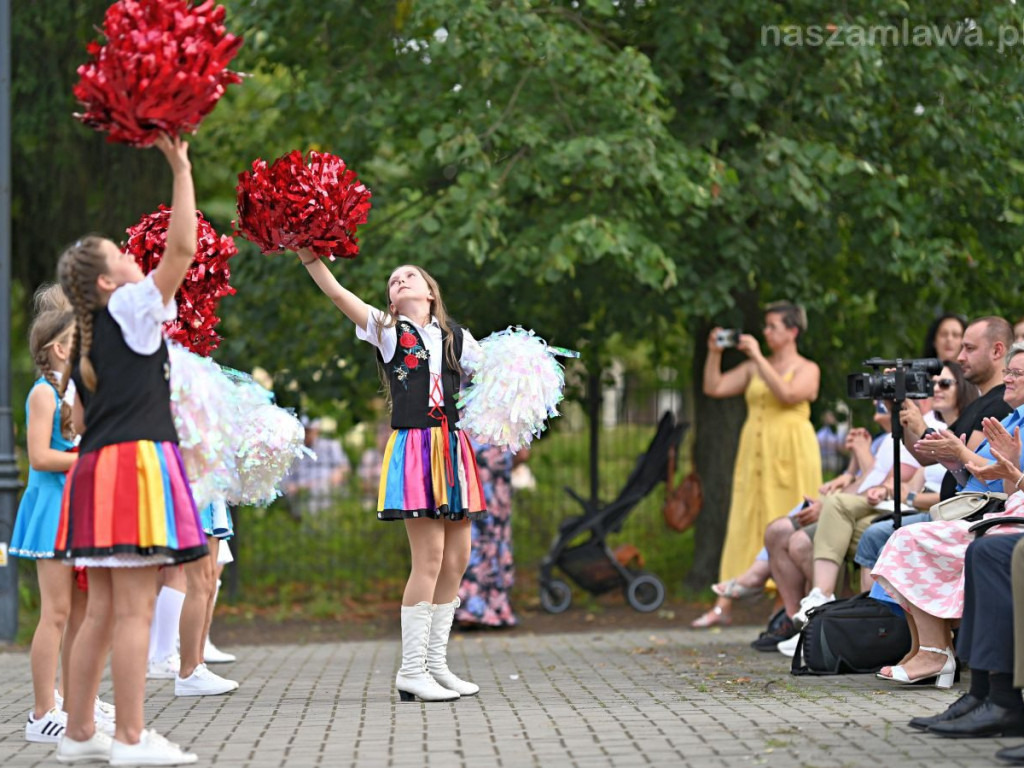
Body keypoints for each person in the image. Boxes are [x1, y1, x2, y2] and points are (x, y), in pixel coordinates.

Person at [54, 134, 206, 766]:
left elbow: (82, 419)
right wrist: (181, 166)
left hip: (97, 471)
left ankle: (81, 733)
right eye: (123, 255)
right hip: (139, 464)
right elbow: (183, 247)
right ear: (108, 280)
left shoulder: (90, 339)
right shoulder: (135, 308)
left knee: (104, 611)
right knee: (137, 610)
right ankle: (130, 740)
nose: (135, 259)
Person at [297, 252, 485, 702]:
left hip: (453, 446)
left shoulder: (459, 336)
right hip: (417, 447)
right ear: (392, 302)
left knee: (459, 556)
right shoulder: (387, 330)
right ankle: (411, 669)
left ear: (429, 290)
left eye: (409, 276)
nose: (399, 281)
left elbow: (493, 379)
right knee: (431, 556)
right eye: (392, 281)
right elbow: (339, 294)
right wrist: (310, 259)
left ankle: (436, 664)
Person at [872, 343, 1024, 687]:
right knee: (902, 537)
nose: (1008, 379)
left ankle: (937, 653)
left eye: (1016, 373)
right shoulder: (1009, 418)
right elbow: (993, 480)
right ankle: (926, 648)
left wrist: (983, 460)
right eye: (1009, 371)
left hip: (1000, 517)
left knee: (908, 538)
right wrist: (959, 460)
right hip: (994, 510)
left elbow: (1006, 483)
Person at [10, 308, 115, 743]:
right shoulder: (42, 394)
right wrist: (88, 460)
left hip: (71, 509)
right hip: (51, 511)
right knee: (54, 614)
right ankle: (41, 713)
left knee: (78, 616)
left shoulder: (69, 391)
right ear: (57, 348)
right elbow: (39, 457)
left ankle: (76, 707)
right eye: (77, 340)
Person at [693, 302, 822, 627]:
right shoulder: (754, 367)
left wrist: (757, 357)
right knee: (746, 521)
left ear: (792, 331)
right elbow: (714, 387)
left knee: (785, 521)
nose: (765, 332)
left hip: (792, 453)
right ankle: (724, 604)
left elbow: (789, 394)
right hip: (755, 453)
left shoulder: (808, 367)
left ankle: (783, 609)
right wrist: (714, 353)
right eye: (765, 326)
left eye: (773, 326)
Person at [456, 444, 527, 628]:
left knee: (472, 534)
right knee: (491, 534)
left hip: (469, 457)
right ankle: (488, 605)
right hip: (492, 460)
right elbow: (522, 453)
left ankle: (468, 605)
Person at [283, 417, 351, 516]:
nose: (305, 435)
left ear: (316, 430)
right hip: (303, 507)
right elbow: (286, 484)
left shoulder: (331, 446)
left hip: (329, 505)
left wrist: (339, 473)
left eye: (308, 431)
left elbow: (345, 470)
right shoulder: (292, 453)